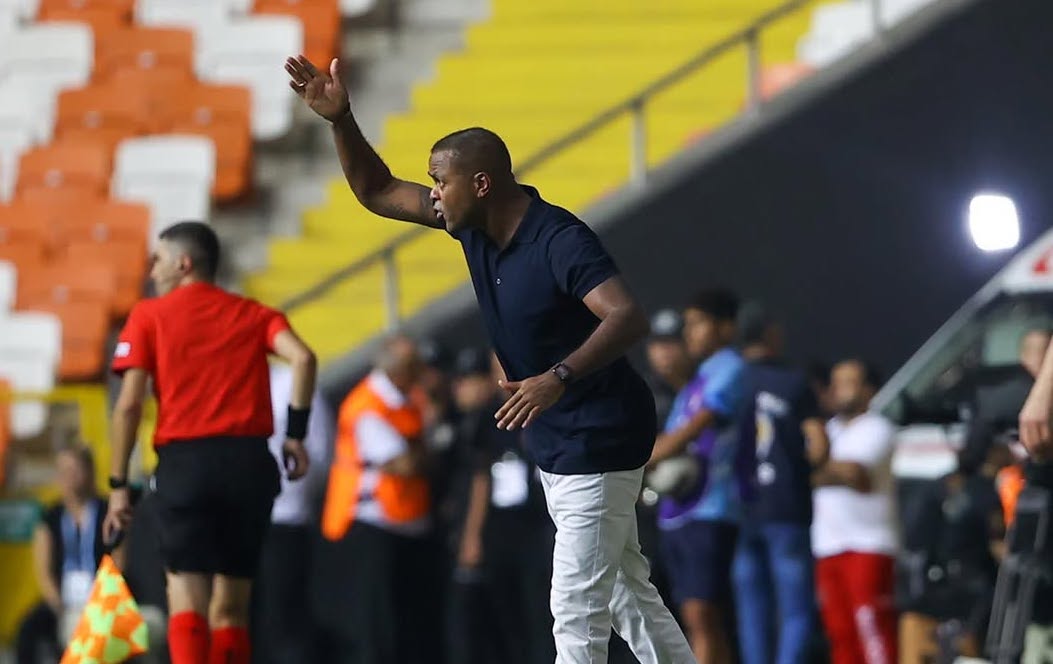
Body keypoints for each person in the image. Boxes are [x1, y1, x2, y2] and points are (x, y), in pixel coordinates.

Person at [287, 54, 694, 663]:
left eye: (439, 180)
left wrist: (558, 376)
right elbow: (374, 191)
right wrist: (341, 118)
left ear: (480, 184)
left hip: (600, 430)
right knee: (626, 596)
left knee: (574, 608)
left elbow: (626, 315)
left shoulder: (559, 238)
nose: (432, 193)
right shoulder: (470, 224)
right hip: (558, 435)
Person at [105, 221, 318, 664]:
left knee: (187, 602)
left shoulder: (149, 316)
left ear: (183, 264)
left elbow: (128, 406)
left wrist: (118, 481)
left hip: (187, 465)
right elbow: (303, 358)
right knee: (232, 610)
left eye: (159, 259)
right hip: (248, 466)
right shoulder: (254, 314)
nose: (151, 268)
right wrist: (295, 435)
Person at [318, 335, 441, 664]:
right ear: (396, 370)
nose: (420, 373)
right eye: (413, 366)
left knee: (410, 624)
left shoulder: (408, 398)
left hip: (410, 524)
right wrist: (430, 431)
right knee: (377, 626)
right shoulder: (367, 405)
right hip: (374, 527)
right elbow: (404, 464)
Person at [647, 288, 749, 664]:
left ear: (725, 328)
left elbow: (694, 428)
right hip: (680, 511)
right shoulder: (697, 378)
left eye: (696, 324)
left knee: (702, 614)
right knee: (696, 617)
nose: (689, 333)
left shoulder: (731, 368)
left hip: (711, 506)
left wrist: (647, 457)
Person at [731, 303, 830, 664]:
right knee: (795, 611)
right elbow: (818, 445)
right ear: (771, 333)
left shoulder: (731, 379)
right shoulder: (793, 381)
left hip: (740, 506)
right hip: (786, 506)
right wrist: (801, 468)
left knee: (751, 612)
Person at [450, 348, 556, 664]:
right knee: (508, 613)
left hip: (540, 522)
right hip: (501, 527)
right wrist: (473, 535)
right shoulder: (489, 416)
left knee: (543, 608)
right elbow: (482, 478)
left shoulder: (547, 406)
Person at [812, 359, 898, 664]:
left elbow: (855, 475)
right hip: (828, 545)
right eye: (836, 382)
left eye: (849, 382)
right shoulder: (830, 430)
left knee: (872, 629)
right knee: (840, 634)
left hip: (869, 544)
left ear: (868, 390)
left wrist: (811, 465)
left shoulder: (877, 428)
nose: (839, 390)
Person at [252, 362, 334, 664]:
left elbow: (321, 452)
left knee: (285, 622)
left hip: (284, 518)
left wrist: (294, 494)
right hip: (239, 522)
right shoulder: (227, 383)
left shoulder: (291, 383)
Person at [17, 446, 112, 664]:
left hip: (101, 596)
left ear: (89, 471)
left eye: (75, 469)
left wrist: (100, 600)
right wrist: (58, 604)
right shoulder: (51, 517)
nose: (69, 477)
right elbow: (44, 569)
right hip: (63, 598)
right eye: (63, 471)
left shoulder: (107, 512)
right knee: (27, 631)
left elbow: (120, 560)